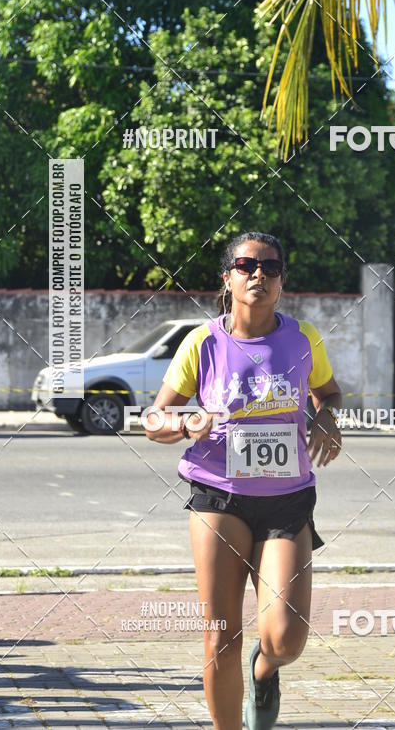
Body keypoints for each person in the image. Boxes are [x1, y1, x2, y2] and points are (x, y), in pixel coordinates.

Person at [145, 231, 342, 730]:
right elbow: (153, 419)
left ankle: (265, 668)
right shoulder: (203, 342)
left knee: (286, 639)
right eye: (247, 264)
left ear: (282, 281)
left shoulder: (303, 339)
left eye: (270, 267)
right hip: (217, 496)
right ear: (228, 277)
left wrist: (326, 417)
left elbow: (329, 392)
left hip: (287, 501)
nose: (259, 274)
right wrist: (185, 424)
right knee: (219, 635)